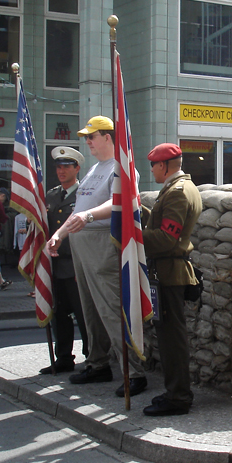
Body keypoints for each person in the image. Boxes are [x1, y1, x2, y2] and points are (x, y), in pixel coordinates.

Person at [47, 116, 147, 397]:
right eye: (87, 137)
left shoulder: (122, 167)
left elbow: (122, 200)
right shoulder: (93, 171)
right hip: (81, 242)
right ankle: (97, 362)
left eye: (92, 137)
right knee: (89, 310)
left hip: (103, 241)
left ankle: (134, 371)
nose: (88, 142)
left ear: (108, 137)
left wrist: (89, 216)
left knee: (111, 309)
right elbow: (78, 207)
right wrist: (60, 234)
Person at [141, 144, 202, 417]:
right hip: (167, 271)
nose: (151, 169)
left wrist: (134, 235)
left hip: (169, 272)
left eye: (154, 165)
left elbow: (167, 238)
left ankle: (178, 396)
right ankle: (174, 391)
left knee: (172, 340)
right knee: (169, 337)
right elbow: (163, 225)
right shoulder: (178, 188)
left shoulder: (177, 192)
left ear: (164, 165)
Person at [39, 146, 90, 375]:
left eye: (66, 167)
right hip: (55, 265)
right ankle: (63, 357)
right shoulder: (51, 195)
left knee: (83, 314)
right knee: (59, 313)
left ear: (77, 168)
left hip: (76, 262)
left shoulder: (84, 195)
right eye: (58, 167)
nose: (61, 171)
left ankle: (92, 357)